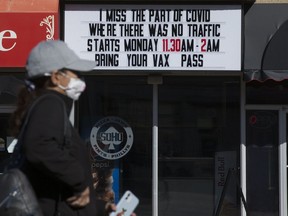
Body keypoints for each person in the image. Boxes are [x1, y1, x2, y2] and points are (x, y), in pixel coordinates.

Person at [9, 40, 106, 216]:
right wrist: (80, 180)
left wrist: (102, 208)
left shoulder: (43, 106)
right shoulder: (50, 102)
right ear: (55, 77)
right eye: (75, 73)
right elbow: (39, 146)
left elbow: (60, 192)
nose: (79, 79)